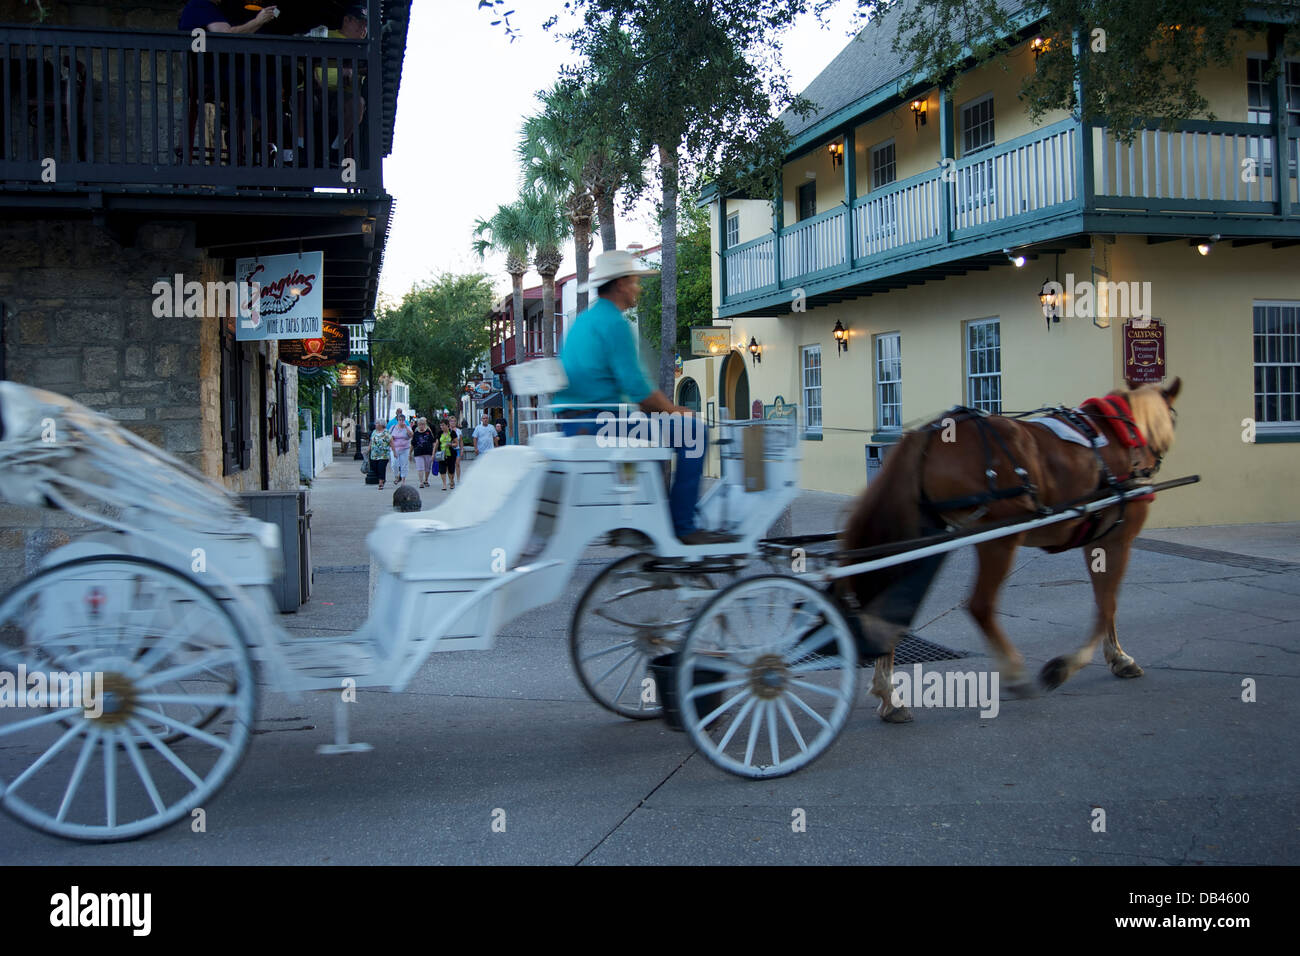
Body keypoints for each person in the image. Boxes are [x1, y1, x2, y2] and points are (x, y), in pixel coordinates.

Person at [555, 250, 732, 545]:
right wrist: (676, 410)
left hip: (575, 422)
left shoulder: (584, 321)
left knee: (652, 432)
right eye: (635, 281)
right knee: (695, 432)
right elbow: (639, 391)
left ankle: (647, 515)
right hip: (599, 423)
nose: (638, 287)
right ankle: (683, 526)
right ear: (621, 284)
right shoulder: (614, 323)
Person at [388, 411, 412, 486]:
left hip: (405, 448)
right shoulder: (393, 427)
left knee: (404, 464)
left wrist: (406, 427)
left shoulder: (407, 427)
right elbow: (389, 437)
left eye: (402, 420)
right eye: (399, 420)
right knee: (394, 463)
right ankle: (396, 476)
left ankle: (403, 480)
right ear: (397, 420)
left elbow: (411, 435)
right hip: (394, 448)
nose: (401, 421)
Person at [412, 417, 435, 489]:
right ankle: (421, 482)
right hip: (418, 453)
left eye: (423, 424)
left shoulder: (428, 432)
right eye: (420, 424)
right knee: (420, 468)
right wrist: (410, 453)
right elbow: (413, 443)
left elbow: (433, 442)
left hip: (428, 452)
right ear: (418, 425)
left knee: (427, 467)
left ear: (425, 425)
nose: (421, 426)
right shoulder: (416, 433)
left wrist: (434, 452)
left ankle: (426, 480)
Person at [368, 421, 390, 490]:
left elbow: (391, 441)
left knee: (381, 468)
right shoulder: (374, 432)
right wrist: (368, 449)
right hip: (374, 454)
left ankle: (381, 482)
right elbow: (371, 441)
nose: (375, 424)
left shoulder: (386, 432)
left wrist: (394, 452)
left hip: (384, 454)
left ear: (381, 425)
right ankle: (382, 479)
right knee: (374, 468)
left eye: (377, 423)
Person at [438, 420, 458, 491]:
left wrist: (450, 444)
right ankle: (444, 484)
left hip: (451, 454)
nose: (442, 427)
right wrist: (433, 453)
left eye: (443, 425)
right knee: (442, 469)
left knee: (451, 470)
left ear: (447, 425)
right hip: (441, 454)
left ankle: (451, 482)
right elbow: (437, 443)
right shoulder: (440, 433)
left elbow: (456, 443)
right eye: (441, 425)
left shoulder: (452, 433)